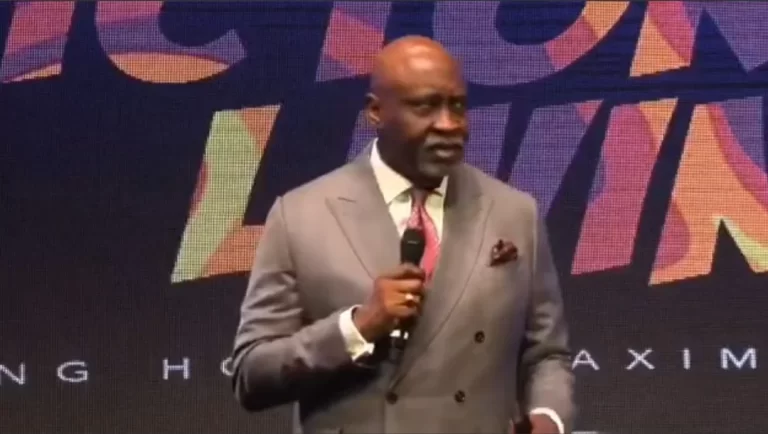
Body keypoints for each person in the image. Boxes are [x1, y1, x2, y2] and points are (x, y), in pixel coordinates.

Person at [231, 35, 574, 434]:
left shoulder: (515, 212)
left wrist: (549, 420)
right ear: (375, 112)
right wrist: (358, 328)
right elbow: (251, 375)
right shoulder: (301, 215)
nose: (449, 125)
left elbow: (547, 355)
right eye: (425, 106)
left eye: (457, 106)